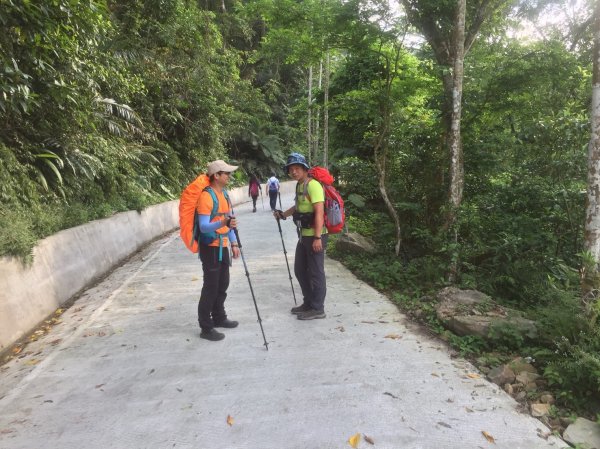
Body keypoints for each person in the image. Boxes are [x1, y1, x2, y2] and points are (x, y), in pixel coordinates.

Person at [273, 152, 328, 320]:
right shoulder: (299, 185)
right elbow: (297, 207)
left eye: (297, 168)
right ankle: (309, 302)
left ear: (305, 169)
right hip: (303, 235)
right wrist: (283, 215)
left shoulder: (314, 186)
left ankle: (318, 308)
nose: (294, 172)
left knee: (316, 272)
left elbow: (319, 212)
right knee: (299, 270)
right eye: (291, 169)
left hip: (315, 236)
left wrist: (318, 237)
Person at [196, 160, 241, 341]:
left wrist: (234, 243)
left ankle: (219, 317)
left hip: (223, 246)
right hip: (211, 248)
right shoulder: (206, 197)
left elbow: (230, 222)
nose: (229, 176)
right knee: (211, 287)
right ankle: (206, 327)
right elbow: (204, 226)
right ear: (216, 175)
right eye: (226, 173)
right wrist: (223, 222)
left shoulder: (225, 195)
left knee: (223, 284)